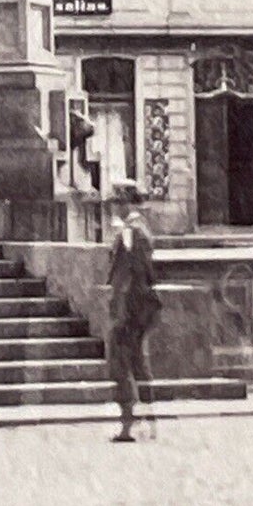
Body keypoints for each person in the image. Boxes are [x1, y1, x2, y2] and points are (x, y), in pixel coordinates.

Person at [105, 179, 161, 443]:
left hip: (133, 306)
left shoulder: (134, 232)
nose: (114, 208)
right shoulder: (133, 230)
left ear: (127, 202)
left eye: (117, 203)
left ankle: (131, 424)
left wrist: (121, 305)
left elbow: (138, 273)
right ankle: (146, 423)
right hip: (136, 306)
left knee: (122, 363)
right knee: (137, 363)